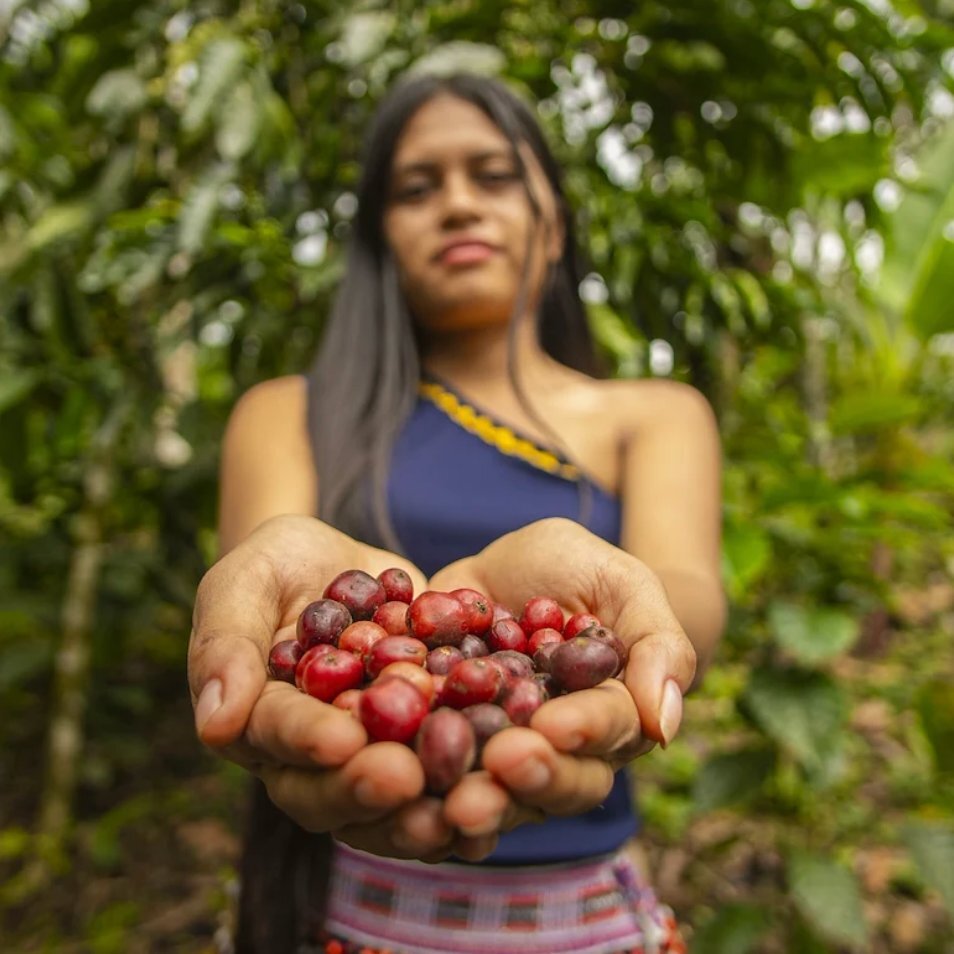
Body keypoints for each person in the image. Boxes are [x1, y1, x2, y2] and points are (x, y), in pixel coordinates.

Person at [187, 71, 725, 954]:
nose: (460, 205)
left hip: (580, 916)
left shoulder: (655, 414)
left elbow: (687, 591)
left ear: (552, 220)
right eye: (417, 187)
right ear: (382, 238)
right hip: (343, 910)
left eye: (494, 175)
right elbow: (264, 603)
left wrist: (639, 623)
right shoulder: (286, 410)